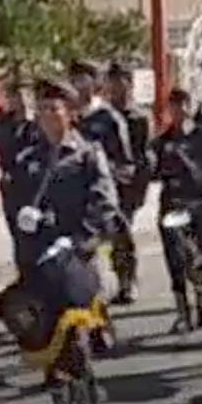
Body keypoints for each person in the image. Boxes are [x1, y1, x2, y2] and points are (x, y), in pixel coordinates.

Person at [3, 78, 123, 404]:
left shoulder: (87, 154)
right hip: (39, 257)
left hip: (75, 256)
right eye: (42, 109)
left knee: (71, 333)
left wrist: (76, 239)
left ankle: (82, 396)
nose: (48, 116)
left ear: (70, 113)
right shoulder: (28, 158)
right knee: (42, 334)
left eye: (54, 108)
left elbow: (104, 203)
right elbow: (15, 201)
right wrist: (24, 220)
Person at [69, 59, 137, 304]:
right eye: (75, 80)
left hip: (107, 186)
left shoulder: (108, 117)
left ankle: (126, 280)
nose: (79, 85)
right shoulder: (69, 117)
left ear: (95, 82)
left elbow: (125, 160)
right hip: (75, 188)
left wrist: (111, 175)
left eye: (84, 79)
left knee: (118, 234)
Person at [153, 88, 202, 332]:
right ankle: (182, 311)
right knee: (175, 258)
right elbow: (153, 171)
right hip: (172, 203)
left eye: (182, 105)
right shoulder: (162, 141)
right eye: (173, 106)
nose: (178, 111)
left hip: (198, 203)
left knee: (197, 256)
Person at [107, 61, 154, 302]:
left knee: (122, 231)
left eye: (121, 82)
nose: (117, 87)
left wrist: (140, 188)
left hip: (129, 184)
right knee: (113, 234)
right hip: (107, 182)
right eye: (113, 82)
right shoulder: (104, 116)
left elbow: (146, 157)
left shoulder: (139, 117)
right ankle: (120, 277)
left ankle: (128, 280)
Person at [0, 78, 39, 224]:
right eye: (18, 96)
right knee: (14, 222)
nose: (23, 101)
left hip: (34, 182)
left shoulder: (39, 123)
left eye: (27, 96)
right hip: (9, 182)